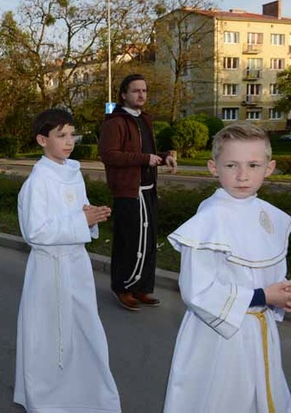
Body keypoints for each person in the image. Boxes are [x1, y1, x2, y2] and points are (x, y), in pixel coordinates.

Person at [164, 124, 291, 412]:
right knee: (222, 399)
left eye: (253, 165)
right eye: (231, 165)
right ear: (213, 167)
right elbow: (197, 291)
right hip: (220, 338)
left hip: (260, 330)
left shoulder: (271, 217)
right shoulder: (210, 219)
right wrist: (263, 297)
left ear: (269, 168)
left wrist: (282, 295)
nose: (243, 175)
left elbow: (271, 274)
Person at [14, 108, 120, 412]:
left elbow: (78, 213)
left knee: (86, 332)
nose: (69, 141)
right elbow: (35, 231)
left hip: (76, 264)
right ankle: (48, 397)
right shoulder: (38, 182)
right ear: (42, 140)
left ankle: (88, 392)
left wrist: (90, 217)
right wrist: (81, 220)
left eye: (72, 133)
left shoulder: (72, 172)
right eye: (61, 135)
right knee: (50, 337)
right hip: (51, 268)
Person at [98, 73, 177, 311]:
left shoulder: (145, 119)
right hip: (128, 192)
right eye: (136, 91)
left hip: (148, 190)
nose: (141, 95)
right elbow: (109, 155)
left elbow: (148, 151)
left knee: (149, 241)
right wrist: (146, 158)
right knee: (128, 242)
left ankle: (141, 288)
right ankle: (122, 288)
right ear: (124, 94)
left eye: (144, 91)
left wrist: (165, 157)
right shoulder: (115, 122)